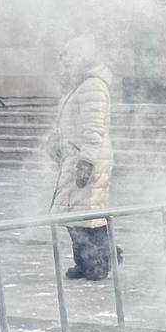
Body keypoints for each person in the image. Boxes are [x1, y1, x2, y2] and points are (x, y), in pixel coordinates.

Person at [47, 35, 115, 281]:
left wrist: (86, 162)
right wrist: (56, 142)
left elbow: (93, 129)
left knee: (90, 215)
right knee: (75, 213)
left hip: (88, 159)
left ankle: (97, 263)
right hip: (75, 156)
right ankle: (87, 261)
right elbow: (69, 122)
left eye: (69, 56)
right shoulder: (81, 85)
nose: (65, 62)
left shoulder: (93, 86)